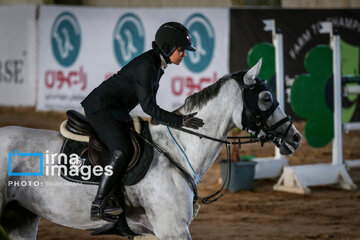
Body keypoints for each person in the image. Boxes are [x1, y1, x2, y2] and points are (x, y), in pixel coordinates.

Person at [81, 22, 205, 221]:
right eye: (181, 50)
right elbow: (149, 109)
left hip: (117, 112)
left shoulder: (156, 64)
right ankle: (99, 203)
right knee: (122, 150)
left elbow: (152, 111)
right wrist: (180, 120)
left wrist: (174, 122)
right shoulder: (147, 66)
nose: (184, 55)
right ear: (168, 48)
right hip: (101, 109)